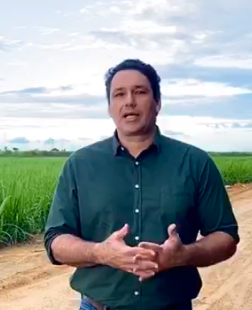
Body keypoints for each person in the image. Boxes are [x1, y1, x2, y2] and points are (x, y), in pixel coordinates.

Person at [43, 59, 240, 310]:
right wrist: (101, 252)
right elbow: (55, 240)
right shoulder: (80, 165)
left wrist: (182, 255)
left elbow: (226, 236)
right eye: (119, 94)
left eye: (139, 92)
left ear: (157, 102)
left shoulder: (195, 162)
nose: (129, 101)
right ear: (110, 107)